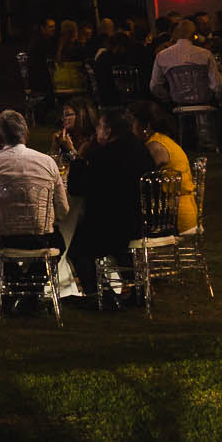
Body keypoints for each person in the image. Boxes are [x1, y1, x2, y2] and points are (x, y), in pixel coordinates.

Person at [66, 106, 156, 298]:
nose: (96, 132)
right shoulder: (141, 149)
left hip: (112, 225)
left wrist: (78, 157)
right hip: (142, 220)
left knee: (77, 249)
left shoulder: (105, 156)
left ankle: (98, 294)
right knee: (118, 248)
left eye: (99, 127)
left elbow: (76, 188)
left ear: (108, 131)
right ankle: (136, 288)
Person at [0, 111, 69, 253]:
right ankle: (36, 272)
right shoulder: (48, 162)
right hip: (44, 242)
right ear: (26, 134)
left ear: (0, 137)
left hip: (3, 243)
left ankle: (12, 275)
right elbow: (62, 210)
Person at [128, 101, 197, 232]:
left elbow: (134, 177)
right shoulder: (162, 140)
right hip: (176, 212)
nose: (130, 129)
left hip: (173, 219)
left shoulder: (155, 147)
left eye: (132, 123)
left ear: (146, 126)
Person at [55, 99, 98, 164]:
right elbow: (55, 165)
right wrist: (55, 145)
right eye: (63, 115)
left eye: (67, 114)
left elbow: (80, 167)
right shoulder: (68, 138)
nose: (63, 118)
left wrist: (70, 149)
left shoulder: (92, 141)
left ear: (81, 115)